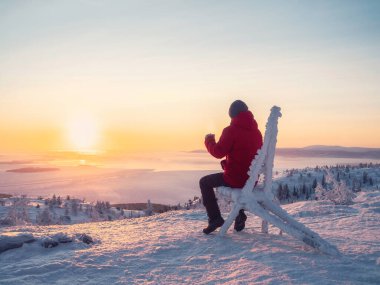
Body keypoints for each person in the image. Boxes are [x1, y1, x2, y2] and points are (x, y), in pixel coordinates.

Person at [200, 100, 263, 234]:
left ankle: (215, 219)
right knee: (230, 175)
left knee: (204, 182)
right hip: (251, 180)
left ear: (232, 115)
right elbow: (245, 156)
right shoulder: (257, 132)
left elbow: (218, 152)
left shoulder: (231, 130)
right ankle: (239, 215)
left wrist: (209, 140)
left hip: (236, 178)